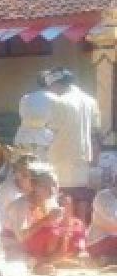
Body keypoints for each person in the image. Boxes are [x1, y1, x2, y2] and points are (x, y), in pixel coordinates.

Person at [46, 69, 101, 222]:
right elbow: (96, 132)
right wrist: (95, 159)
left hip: (61, 157)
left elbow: (50, 131)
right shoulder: (90, 101)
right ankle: (81, 233)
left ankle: (68, 236)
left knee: (64, 199)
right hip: (84, 156)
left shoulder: (59, 102)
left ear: (56, 84)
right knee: (82, 195)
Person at [6, 164, 80, 275]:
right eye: (46, 186)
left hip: (38, 245)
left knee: (76, 226)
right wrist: (45, 220)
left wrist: (68, 211)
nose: (52, 190)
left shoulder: (49, 201)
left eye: (54, 185)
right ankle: (42, 262)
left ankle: (50, 260)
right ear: (34, 186)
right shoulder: (20, 205)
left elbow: (64, 228)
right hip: (16, 246)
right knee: (52, 231)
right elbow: (20, 237)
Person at [15, 71, 59, 160]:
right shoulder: (57, 99)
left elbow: (22, 115)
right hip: (44, 140)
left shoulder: (26, 98)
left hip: (24, 138)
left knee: (25, 169)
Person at [86, 186, 117, 265]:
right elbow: (113, 223)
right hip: (99, 241)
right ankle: (107, 259)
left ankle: (111, 259)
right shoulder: (104, 197)